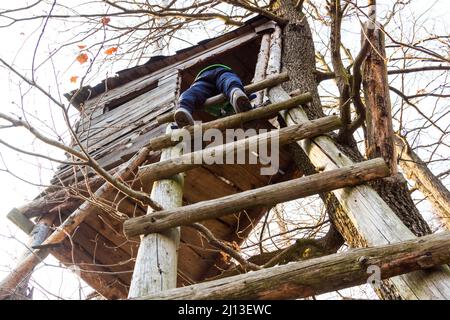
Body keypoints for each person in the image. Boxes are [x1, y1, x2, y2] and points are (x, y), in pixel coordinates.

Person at [174, 64, 253, 128]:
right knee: (228, 81)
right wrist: (248, 97)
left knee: (194, 92)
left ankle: (183, 107)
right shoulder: (224, 109)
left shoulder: (216, 111)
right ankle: (235, 91)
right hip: (222, 71)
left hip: (203, 77)